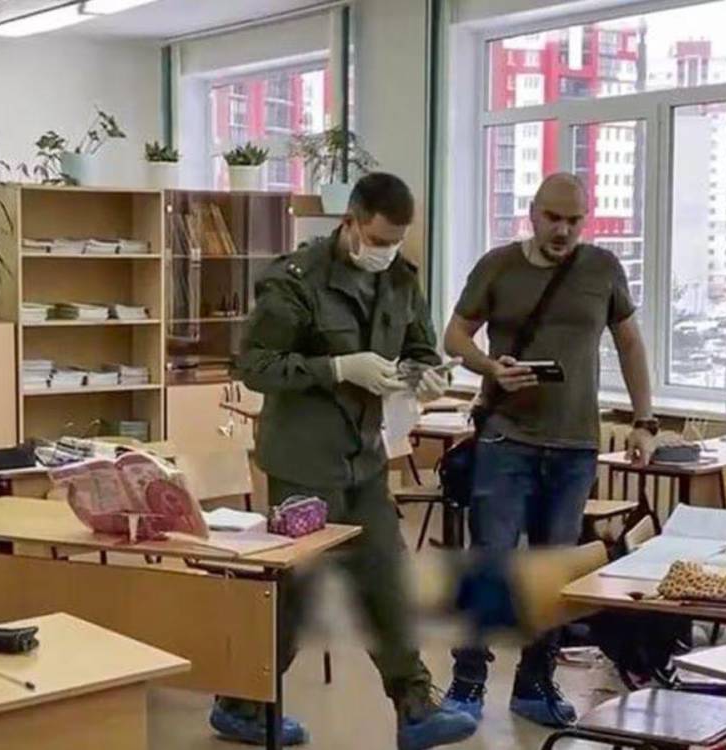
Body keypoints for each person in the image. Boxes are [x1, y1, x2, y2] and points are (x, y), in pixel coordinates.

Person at [211, 172, 478, 750]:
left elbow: (420, 346)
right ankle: (240, 703)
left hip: (364, 459)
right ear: (350, 223)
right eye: (378, 240)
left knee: (387, 579)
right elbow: (254, 365)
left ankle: (414, 707)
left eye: (396, 241)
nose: (386, 252)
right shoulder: (296, 280)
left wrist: (425, 374)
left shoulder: (400, 279)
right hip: (303, 462)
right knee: (296, 592)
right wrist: (335, 368)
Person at [441, 172, 658, 727]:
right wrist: (491, 367)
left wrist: (644, 421)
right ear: (532, 214)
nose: (563, 230)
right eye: (553, 218)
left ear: (586, 220)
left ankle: (535, 683)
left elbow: (630, 344)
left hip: (574, 445)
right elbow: (455, 336)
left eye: (574, 220)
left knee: (554, 571)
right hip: (505, 439)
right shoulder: (498, 266)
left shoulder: (602, 269)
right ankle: (467, 683)